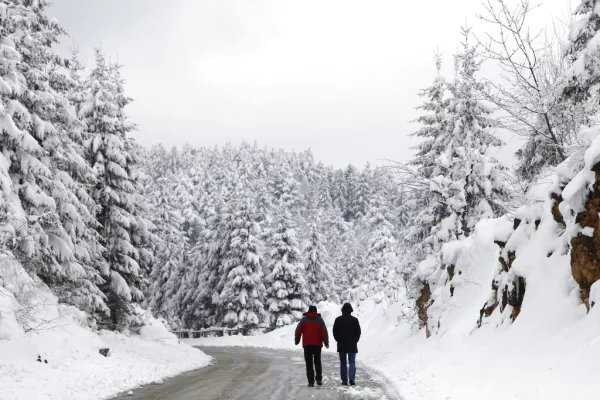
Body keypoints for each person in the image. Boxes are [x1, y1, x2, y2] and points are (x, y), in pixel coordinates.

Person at [294, 305, 329, 387]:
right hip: (317, 345)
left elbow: (298, 330)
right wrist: (326, 342)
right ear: (316, 312)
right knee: (317, 362)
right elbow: (324, 331)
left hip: (307, 345)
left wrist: (297, 340)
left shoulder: (304, 320)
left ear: (308, 311)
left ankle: (310, 382)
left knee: (309, 363)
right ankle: (319, 380)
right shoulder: (319, 320)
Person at [333, 303, 361, 386]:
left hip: (341, 345)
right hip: (352, 345)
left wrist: (338, 340)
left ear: (342, 310)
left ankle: (344, 380)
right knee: (352, 362)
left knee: (343, 363)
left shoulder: (338, 320)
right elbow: (358, 332)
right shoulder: (355, 320)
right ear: (350, 311)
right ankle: (352, 379)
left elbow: (335, 332)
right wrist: (355, 340)